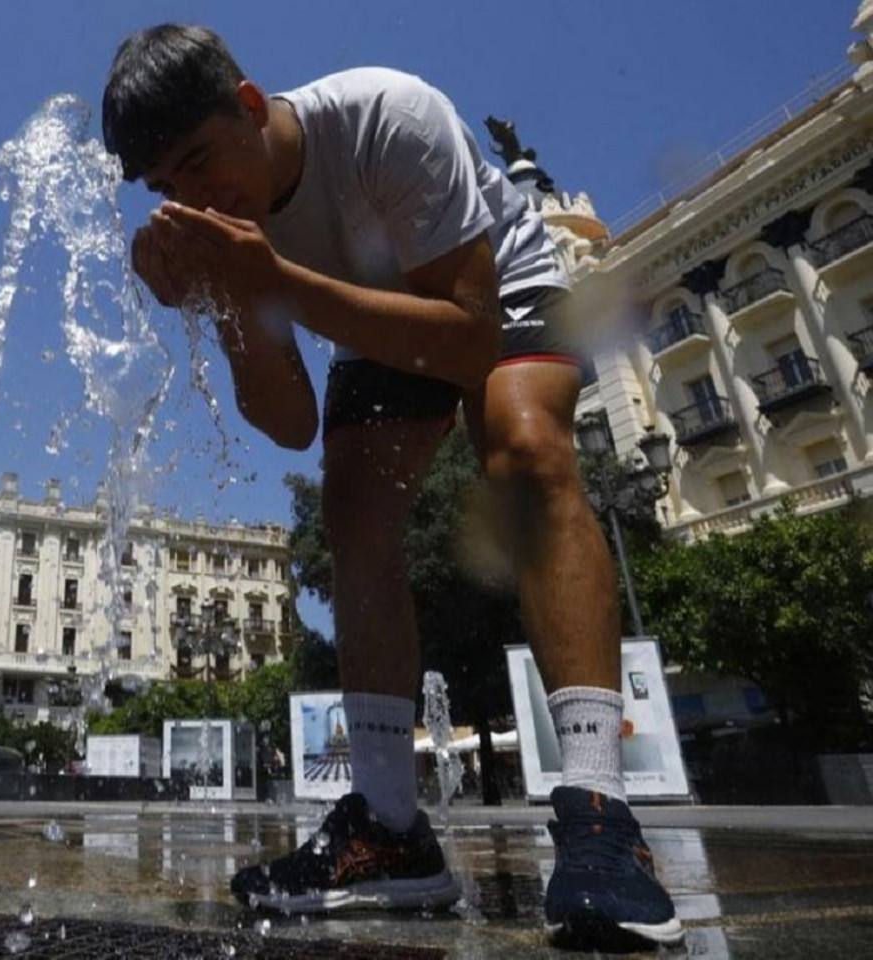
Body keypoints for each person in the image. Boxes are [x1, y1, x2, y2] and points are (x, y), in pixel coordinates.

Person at [102, 25, 682, 949]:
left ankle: (600, 810)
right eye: (169, 187)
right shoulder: (232, 226)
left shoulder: (387, 116)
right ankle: (387, 828)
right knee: (353, 511)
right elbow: (288, 422)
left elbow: (465, 339)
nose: (197, 197)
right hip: (376, 315)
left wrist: (273, 274)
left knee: (524, 446)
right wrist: (223, 295)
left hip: (487, 287)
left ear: (250, 107)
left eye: (202, 161)